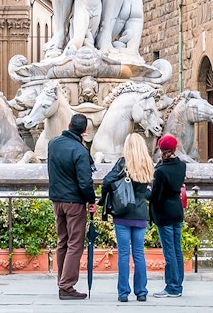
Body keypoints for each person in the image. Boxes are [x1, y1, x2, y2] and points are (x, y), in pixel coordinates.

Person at [97, 132, 154, 303]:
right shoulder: (147, 164)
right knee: (139, 254)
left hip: (122, 214)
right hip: (140, 215)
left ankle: (123, 293)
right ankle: (141, 291)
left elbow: (107, 181)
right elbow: (147, 192)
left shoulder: (123, 163)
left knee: (123, 254)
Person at [48, 113, 97, 300]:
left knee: (62, 241)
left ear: (68, 125)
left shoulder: (53, 144)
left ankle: (61, 280)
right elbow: (85, 182)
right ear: (85, 131)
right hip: (74, 203)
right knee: (75, 244)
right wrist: (91, 201)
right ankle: (67, 286)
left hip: (57, 200)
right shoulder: (80, 151)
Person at [150, 134, 186, 298]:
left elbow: (155, 196)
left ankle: (172, 286)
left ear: (161, 149)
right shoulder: (181, 166)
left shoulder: (161, 171)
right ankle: (178, 284)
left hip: (164, 213)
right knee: (177, 249)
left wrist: (145, 193)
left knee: (169, 251)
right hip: (177, 210)